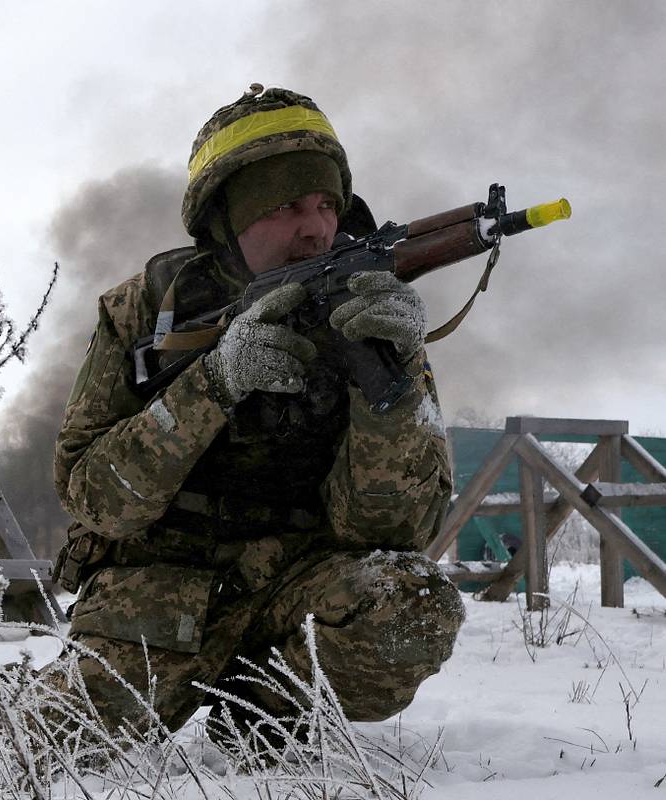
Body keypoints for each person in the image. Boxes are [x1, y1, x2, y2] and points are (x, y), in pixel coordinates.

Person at [51, 85, 465, 742]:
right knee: (33, 756)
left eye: (327, 204)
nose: (315, 227)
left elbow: (396, 534)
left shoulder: (369, 310)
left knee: (411, 599)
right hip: (159, 599)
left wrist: (391, 385)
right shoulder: (146, 310)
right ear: (224, 218)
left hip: (301, 586)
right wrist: (212, 383)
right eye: (285, 205)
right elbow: (94, 499)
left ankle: (262, 715)